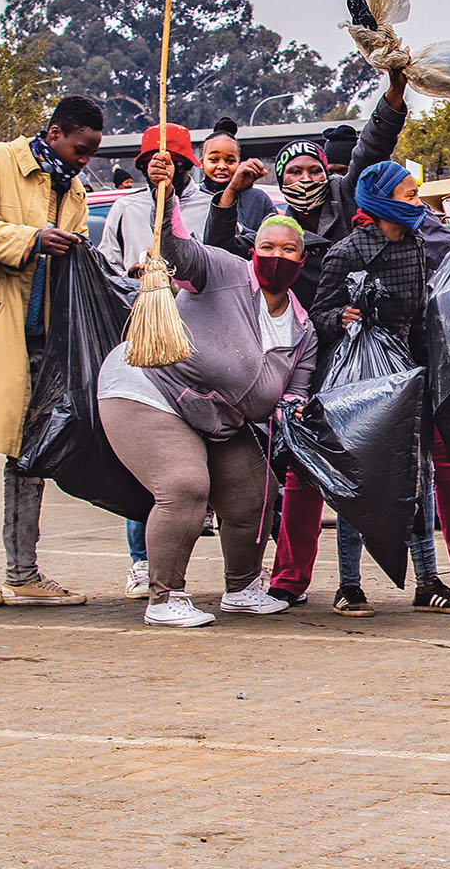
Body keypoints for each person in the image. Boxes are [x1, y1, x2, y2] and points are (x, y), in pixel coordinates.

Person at [97, 153, 318, 627]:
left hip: (221, 417)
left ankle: (241, 588)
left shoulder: (302, 326)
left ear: (302, 258)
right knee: (184, 486)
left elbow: (296, 389)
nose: (275, 256)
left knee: (255, 491)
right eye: (267, 246)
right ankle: (164, 597)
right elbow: (177, 247)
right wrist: (168, 192)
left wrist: (296, 412)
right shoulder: (222, 269)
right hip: (149, 389)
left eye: (288, 250)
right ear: (253, 248)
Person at [307, 160, 450, 618]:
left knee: (419, 480)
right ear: (380, 203)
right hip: (358, 385)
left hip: (410, 377)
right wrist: (341, 319)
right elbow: (317, 317)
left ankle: (428, 583)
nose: (418, 202)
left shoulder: (416, 245)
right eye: (410, 195)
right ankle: (349, 587)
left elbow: (421, 316)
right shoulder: (346, 252)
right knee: (358, 482)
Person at [0, 94, 103, 608]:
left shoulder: (73, 189)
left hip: (43, 340)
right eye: (81, 149)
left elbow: (74, 250)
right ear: (56, 132)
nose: (84, 161)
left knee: (30, 459)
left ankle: (23, 572)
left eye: (90, 153)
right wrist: (33, 237)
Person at [97, 124, 213, 277]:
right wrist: (129, 277)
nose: (162, 172)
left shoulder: (211, 208)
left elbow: (222, 268)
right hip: (139, 298)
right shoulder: (125, 209)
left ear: (187, 166)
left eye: (173, 164)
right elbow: (105, 267)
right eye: (151, 165)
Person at [197, 118, 275, 233]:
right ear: (201, 163)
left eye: (229, 161)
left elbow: (275, 237)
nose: (222, 166)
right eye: (214, 160)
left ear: (239, 164)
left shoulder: (258, 199)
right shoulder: (193, 198)